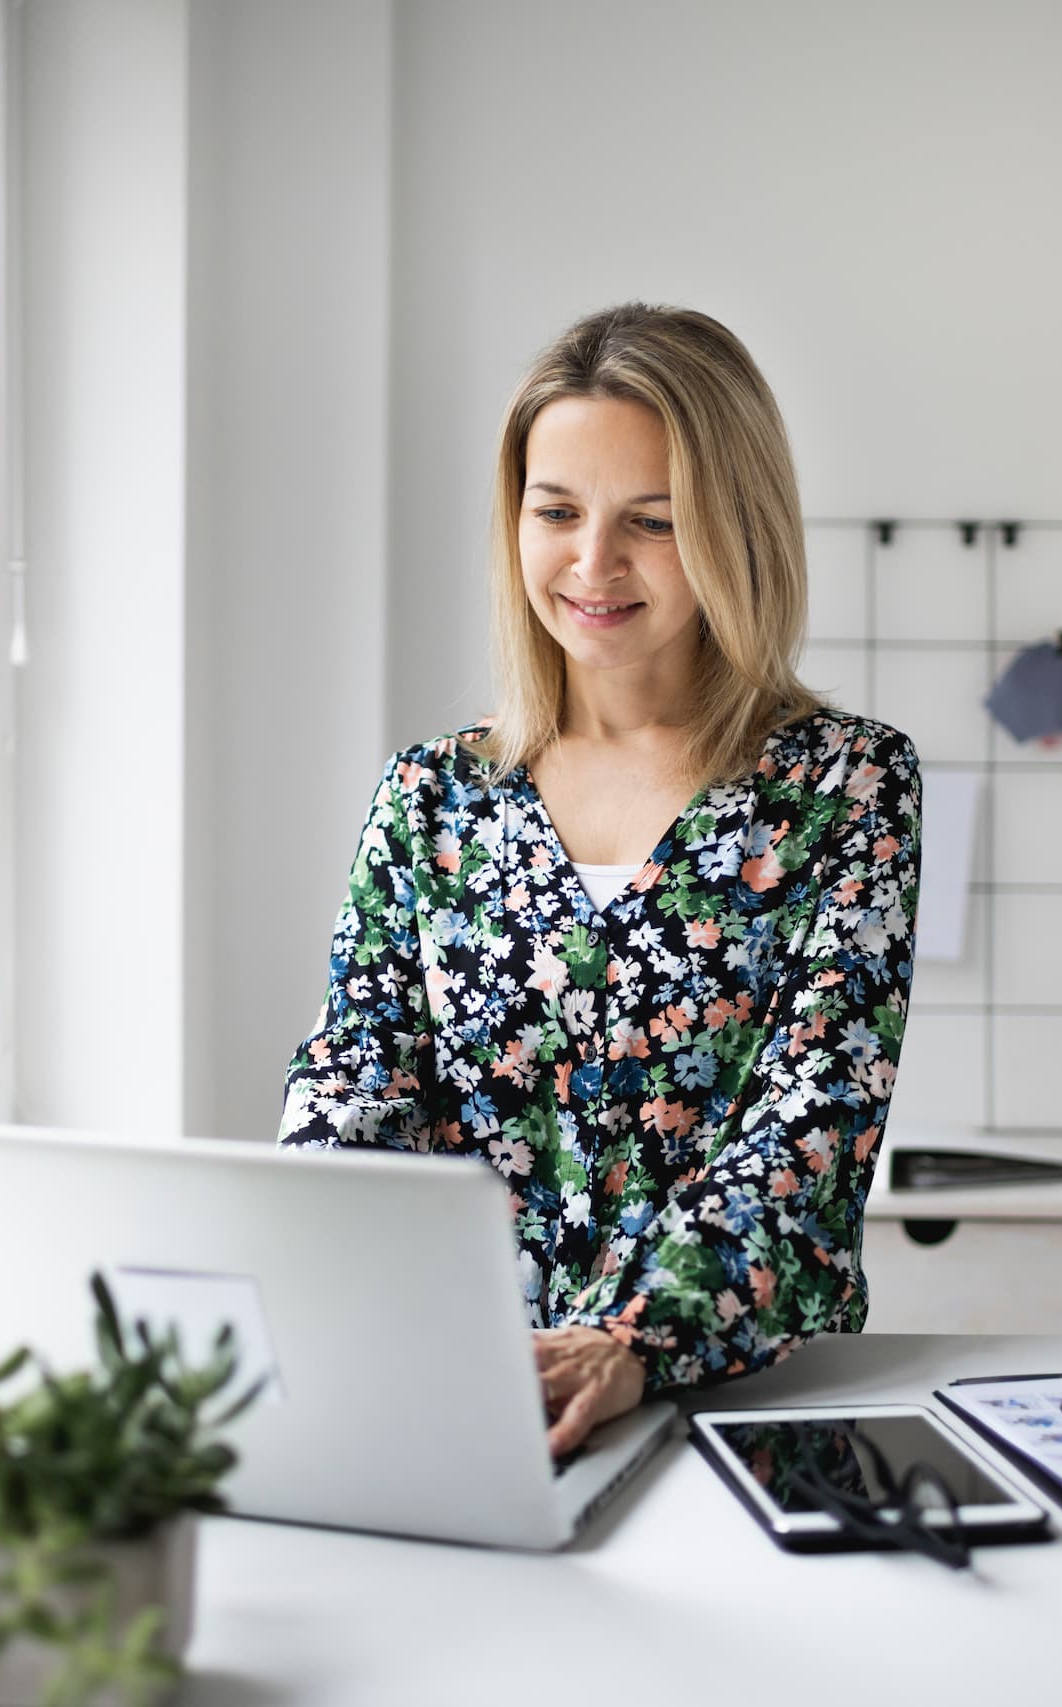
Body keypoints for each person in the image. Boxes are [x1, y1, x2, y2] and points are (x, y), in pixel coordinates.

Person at [278, 303, 922, 1456]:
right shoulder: (432, 797)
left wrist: (630, 1341)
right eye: (556, 512)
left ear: (734, 529)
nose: (591, 564)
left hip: (745, 1409)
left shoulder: (846, 787)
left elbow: (810, 1139)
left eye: (652, 522)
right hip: (468, 1405)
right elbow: (349, 1100)